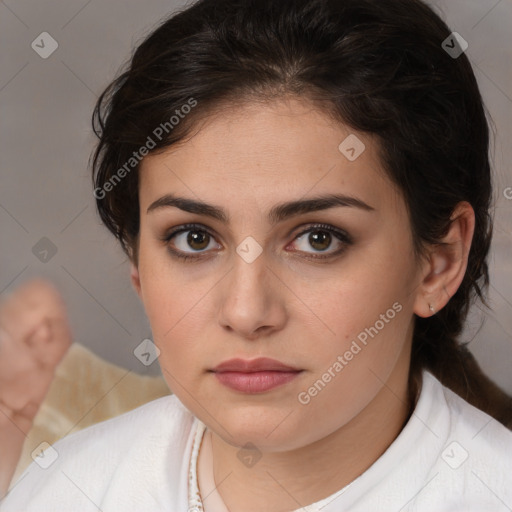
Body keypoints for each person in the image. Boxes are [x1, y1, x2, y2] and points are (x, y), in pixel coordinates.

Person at [1, 0, 511, 510]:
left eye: (318, 239)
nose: (246, 313)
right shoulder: (63, 492)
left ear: (438, 262)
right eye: (194, 239)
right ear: (137, 265)